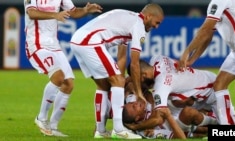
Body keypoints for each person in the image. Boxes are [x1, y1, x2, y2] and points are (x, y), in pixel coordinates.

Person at [70, 3, 164, 139]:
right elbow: (135, 63)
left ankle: (100, 131)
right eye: (157, 22)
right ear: (148, 16)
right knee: (118, 80)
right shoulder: (138, 25)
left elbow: (121, 56)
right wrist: (138, 92)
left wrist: (118, 81)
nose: (156, 26)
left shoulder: (127, 18)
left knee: (103, 85)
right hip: (90, 42)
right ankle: (119, 129)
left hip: (77, 40)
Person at [24, 0, 102, 137]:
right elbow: (31, 13)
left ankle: (53, 127)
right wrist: (55, 15)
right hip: (36, 45)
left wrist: (85, 10)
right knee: (58, 77)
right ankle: (41, 118)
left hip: (54, 45)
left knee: (68, 84)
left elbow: (73, 12)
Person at [178, 0, 235, 125]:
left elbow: (205, 29)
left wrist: (187, 51)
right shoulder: (214, 4)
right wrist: (192, 59)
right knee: (219, 84)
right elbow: (208, 35)